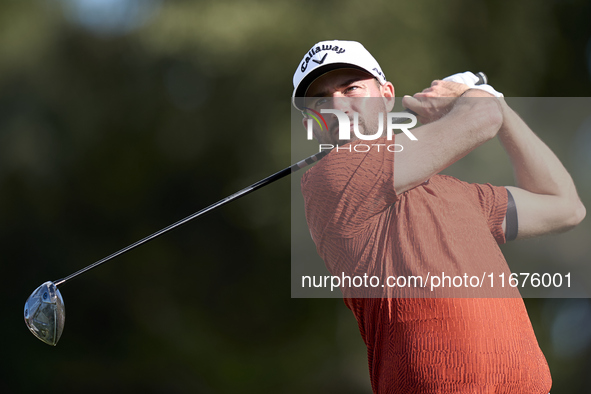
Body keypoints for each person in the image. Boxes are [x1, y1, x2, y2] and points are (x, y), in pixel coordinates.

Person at [293, 40, 586, 393]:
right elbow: (481, 118)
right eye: (321, 101)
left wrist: (499, 106)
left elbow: (564, 205)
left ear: (386, 95)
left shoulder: (461, 194)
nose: (338, 104)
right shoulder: (329, 180)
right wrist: (473, 98)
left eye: (351, 87)